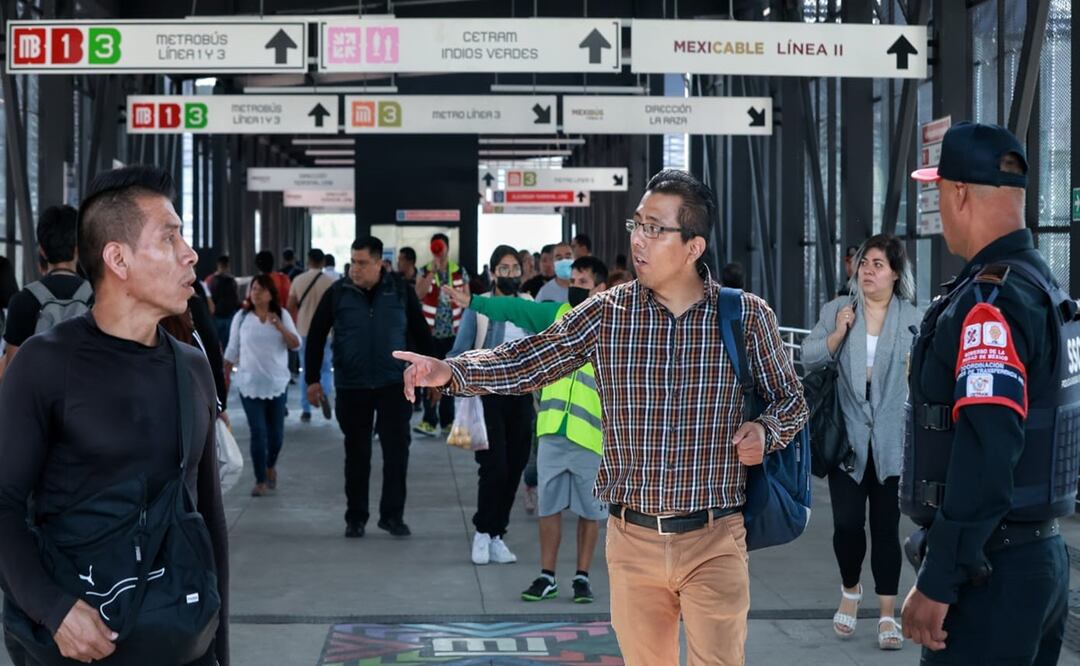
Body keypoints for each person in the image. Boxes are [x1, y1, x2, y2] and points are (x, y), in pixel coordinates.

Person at [394, 169, 807, 665]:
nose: (639, 238)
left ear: (694, 246)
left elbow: (792, 400)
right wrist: (451, 370)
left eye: (655, 227)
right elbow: (532, 358)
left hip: (715, 538)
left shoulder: (745, 316)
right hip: (633, 542)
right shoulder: (606, 314)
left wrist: (767, 429)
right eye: (637, 224)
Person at [0, 166, 229, 665]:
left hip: (177, 643)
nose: (189, 253)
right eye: (170, 238)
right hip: (72, 645)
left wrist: (218, 649)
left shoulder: (191, 367)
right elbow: (4, 503)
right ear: (118, 258)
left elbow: (206, 519)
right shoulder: (43, 364)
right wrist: (53, 609)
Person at [901, 122, 1073, 663]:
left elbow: (986, 453)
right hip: (1040, 558)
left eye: (937, 189)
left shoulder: (990, 305)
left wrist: (939, 579)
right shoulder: (1047, 291)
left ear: (958, 193)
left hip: (992, 574)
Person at [445, 256, 611, 602]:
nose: (577, 287)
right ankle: (546, 575)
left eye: (584, 281)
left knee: (589, 512)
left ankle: (582, 577)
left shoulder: (617, 327)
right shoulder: (554, 315)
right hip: (551, 431)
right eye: (574, 280)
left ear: (601, 288)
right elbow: (512, 309)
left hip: (592, 437)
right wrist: (474, 301)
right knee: (548, 508)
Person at [801, 234, 922, 650]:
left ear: (894, 274)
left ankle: (887, 615)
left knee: (887, 529)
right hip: (846, 439)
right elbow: (809, 356)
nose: (867, 270)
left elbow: (923, 379)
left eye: (878, 264)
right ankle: (850, 590)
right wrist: (837, 333)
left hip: (892, 443)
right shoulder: (838, 309)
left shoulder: (912, 318)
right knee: (848, 525)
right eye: (864, 262)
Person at [305, 236, 434, 538]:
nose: (355, 268)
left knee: (396, 453)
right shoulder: (338, 293)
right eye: (352, 261)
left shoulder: (400, 291)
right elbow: (315, 335)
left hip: (394, 385)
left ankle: (392, 516)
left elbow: (420, 332)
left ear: (379, 263)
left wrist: (432, 375)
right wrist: (312, 379)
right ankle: (356, 517)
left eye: (362, 263)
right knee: (357, 453)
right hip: (353, 385)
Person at [441, 245, 536, 565]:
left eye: (515, 269)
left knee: (516, 466)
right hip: (486, 397)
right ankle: (482, 532)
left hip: (521, 396)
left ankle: (497, 534)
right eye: (504, 269)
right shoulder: (478, 309)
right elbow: (458, 351)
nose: (510, 274)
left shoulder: (527, 304)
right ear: (493, 272)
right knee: (494, 467)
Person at [225, 274, 300, 496]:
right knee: (258, 433)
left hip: (277, 384)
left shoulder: (282, 315)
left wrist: (280, 328)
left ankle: (270, 466)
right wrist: (224, 375)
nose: (256, 292)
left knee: (276, 436)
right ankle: (260, 480)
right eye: (253, 288)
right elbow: (232, 349)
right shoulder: (241, 317)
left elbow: (295, 345)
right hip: (249, 385)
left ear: (270, 294)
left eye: (261, 289)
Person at [0, 205, 92, 380]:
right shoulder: (99, 299)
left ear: (41, 249)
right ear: (78, 248)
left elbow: (13, 374)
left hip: (38, 404)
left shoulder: (22, 301)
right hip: (86, 402)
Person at [413, 233, 469, 437]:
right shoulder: (425, 269)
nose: (438, 251)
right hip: (429, 334)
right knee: (428, 376)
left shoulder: (458, 271)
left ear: (446, 247)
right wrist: (431, 274)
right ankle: (429, 419)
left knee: (449, 377)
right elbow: (418, 294)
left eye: (441, 247)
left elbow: (467, 300)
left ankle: (448, 420)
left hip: (453, 333)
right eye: (435, 247)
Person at [288, 248, 335, 423]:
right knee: (325, 366)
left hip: (304, 330)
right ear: (323, 262)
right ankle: (324, 393)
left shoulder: (298, 280)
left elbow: (290, 305)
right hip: (326, 332)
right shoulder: (330, 282)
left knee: (306, 370)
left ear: (308, 261)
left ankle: (306, 409)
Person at [206, 254, 240, 350]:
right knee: (229, 343)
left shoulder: (210, 280)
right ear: (228, 266)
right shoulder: (232, 280)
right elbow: (236, 298)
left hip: (216, 316)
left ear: (218, 265)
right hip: (229, 315)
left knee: (216, 343)